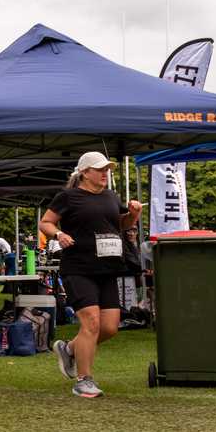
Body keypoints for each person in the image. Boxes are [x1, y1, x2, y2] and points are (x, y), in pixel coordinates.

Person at [40, 151, 141, 398]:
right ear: (85, 172)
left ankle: (70, 349)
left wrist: (133, 215)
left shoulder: (111, 197)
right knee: (91, 323)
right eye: (100, 169)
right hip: (78, 268)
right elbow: (46, 222)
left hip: (108, 269)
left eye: (107, 169)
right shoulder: (68, 197)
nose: (105, 174)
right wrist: (59, 235)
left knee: (110, 327)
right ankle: (84, 380)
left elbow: (121, 225)